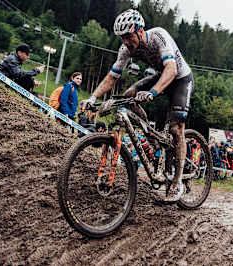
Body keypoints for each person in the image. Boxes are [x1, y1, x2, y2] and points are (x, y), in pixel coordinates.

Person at [81, 9, 193, 201]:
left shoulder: (158, 36)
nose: (125, 41)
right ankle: (151, 134)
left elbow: (172, 69)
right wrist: (92, 97)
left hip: (180, 78)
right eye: (122, 37)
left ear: (140, 31)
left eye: (128, 36)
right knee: (128, 96)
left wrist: (152, 92)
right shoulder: (125, 49)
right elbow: (112, 76)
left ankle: (177, 181)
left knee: (176, 128)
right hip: (160, 75)